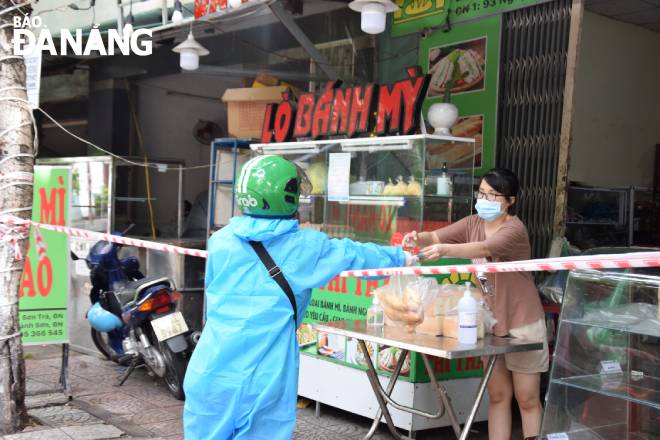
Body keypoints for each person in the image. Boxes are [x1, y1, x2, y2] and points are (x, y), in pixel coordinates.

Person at [183, 155, 416, 440]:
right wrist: (401, 256)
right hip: (263, 375)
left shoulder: (220, 241)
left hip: (210, 369)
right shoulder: (306, 247)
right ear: (286, 197)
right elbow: (355, 254)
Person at [402, 168, 548, 440]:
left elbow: (484, 249)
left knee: (527, 398)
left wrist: (446, 251)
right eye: (481, 193)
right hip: (492, 322)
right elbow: (436, 237)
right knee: (497, 395)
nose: (484, 199)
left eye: (493, 195)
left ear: (511, 201)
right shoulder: (472, 222)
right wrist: (416, 238)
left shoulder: (514, 229)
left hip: (523, 322)